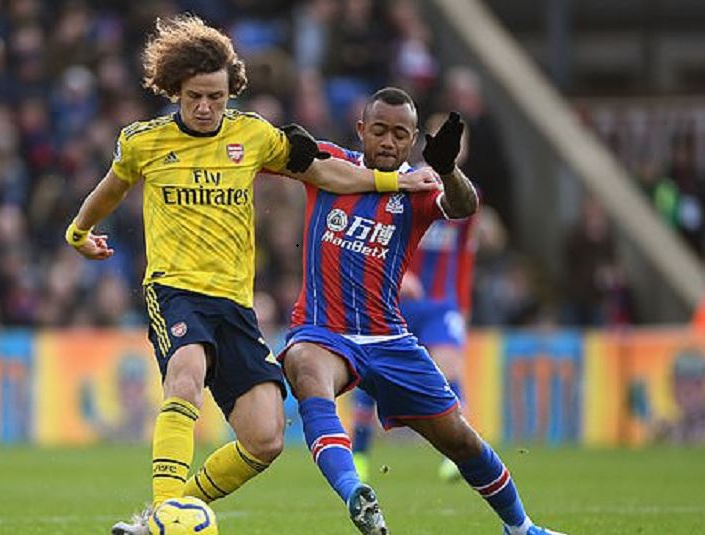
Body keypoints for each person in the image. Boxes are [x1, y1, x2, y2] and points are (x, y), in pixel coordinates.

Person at [61, 16, 439, 535]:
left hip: (235, 304)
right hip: (175, 291)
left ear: (230, 92)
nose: (205, 107)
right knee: (185, 375)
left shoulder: (254, 135)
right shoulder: (144, 141)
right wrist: (79, 231)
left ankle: (158, 521)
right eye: (194, 97)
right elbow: (111, 187)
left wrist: (393, 181)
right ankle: (167, 511)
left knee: (266, 437)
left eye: (216, 97)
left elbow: (323, 171)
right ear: (175, 91)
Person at [280, 87, 565, 535]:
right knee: (304, 367)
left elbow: (463, 206)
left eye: (400, 134)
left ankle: (521, 527)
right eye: (379, 131)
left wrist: (448, 169)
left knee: (459, 438)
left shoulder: (420, 185)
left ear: (413, 140)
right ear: (361, 130)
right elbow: (277, 156)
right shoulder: (330, 163)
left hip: (389, 337)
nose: (388, 142)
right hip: (324, 329)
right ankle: (356, 491)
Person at [351, 209, 477, 483]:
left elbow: (464, 252)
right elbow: (369, 241)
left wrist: (463, 304)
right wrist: (399, 275)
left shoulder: (468, 198)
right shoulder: (402, 191)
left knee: (449, 368)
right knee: (371, 374)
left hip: (440, 304)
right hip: (392, 300)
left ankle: (458, 454)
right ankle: (358, 455)